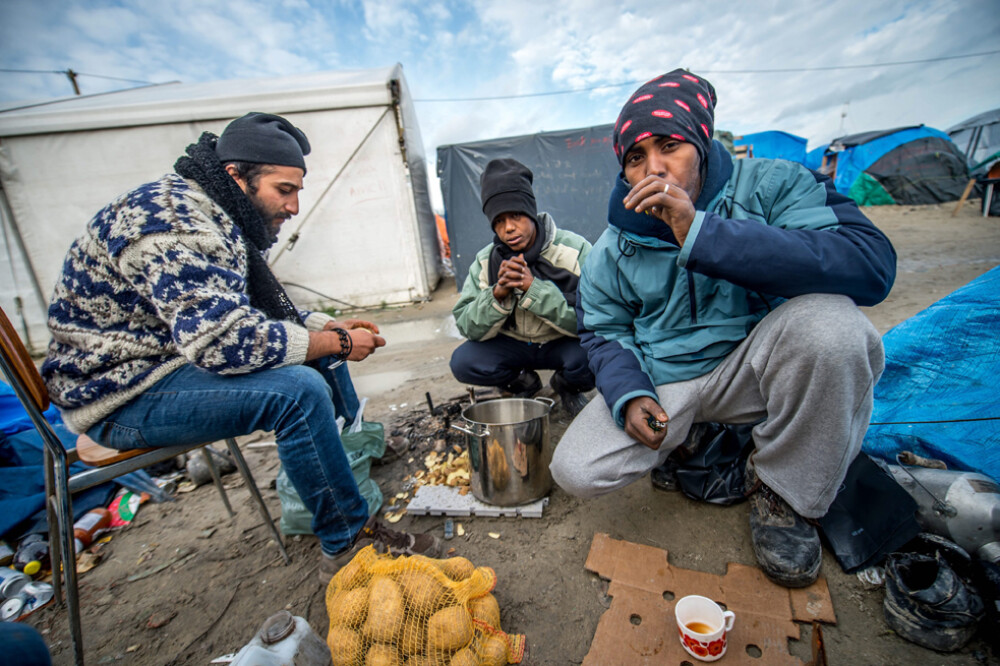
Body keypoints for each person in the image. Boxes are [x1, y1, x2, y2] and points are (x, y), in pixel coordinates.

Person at [42, 112, 440, 583]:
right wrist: (331, 341)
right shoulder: (172, 223)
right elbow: (222, 341)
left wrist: (326, 329)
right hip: (119, 394)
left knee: (321, 350)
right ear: (237, 175)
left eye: (297, 191)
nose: (293, 207)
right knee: (298, 391)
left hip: (165, 358)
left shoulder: (214, 209)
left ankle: (355, 449)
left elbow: (241, 310)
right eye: (284, 190)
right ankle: (348, 544)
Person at [550, 70, 896, 588]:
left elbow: (870, 265)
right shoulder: (610, 248)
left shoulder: (771, 185)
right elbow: (603, 329)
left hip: (756, 367)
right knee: (576, 468)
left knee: (835, 330)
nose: (654, 167)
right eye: (635, 156)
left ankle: (784, 493)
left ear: (702, 144)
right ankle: (691, 440)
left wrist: (704, 233)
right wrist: (628, 394)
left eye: (670, 145)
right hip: (672, 382)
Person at [450, 158, 595, 415]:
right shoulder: (486, 260)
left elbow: (598, 318)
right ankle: (523, 382)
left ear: (530, 210)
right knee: (464, 362)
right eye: (498, 221)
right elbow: (466, 324)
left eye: (515, 215)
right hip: (514, 344)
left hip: (559, 342)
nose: (508, 228)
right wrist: (496, 296)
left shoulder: (574, 250)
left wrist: (534, 290)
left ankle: (566, 385)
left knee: (598, 354)